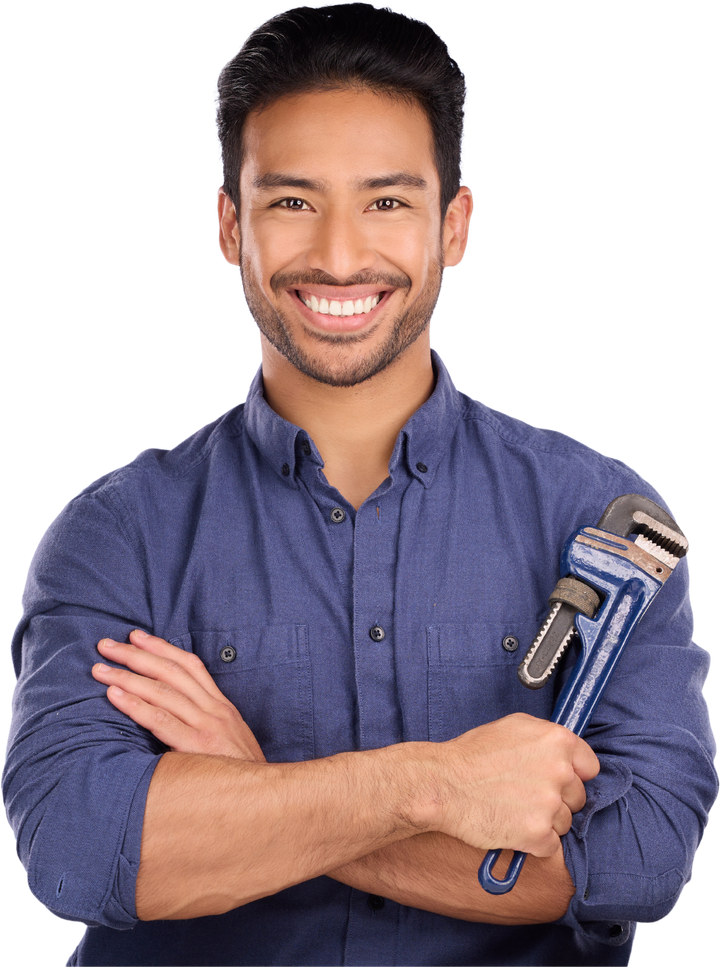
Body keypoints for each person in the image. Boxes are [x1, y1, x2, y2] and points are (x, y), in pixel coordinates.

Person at [3, 5, 716, 966]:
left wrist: (249, 785)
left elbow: (637, 860)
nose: (340, 256)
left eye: (387, 201)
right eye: (292, 201)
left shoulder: (603, 514)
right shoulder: (116, 532)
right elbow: (82, 852)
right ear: (228, 224)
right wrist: (428, 787)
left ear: (455, 225)